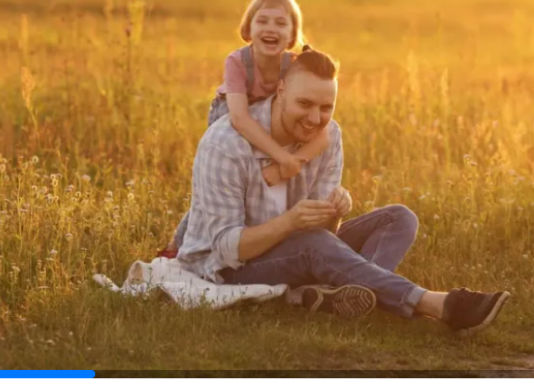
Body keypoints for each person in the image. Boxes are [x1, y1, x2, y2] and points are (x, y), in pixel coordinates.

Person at [174, 47, 511, 337]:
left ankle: (346, 295)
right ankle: (434, 303)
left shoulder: (329, 135)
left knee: (398, 218)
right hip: (230, 267)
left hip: (300, 249)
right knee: (310, 246)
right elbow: (225, 249)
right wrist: (292, 222)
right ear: (280, 91)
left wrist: (334, 214)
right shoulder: (225, 146)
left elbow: (322, 236)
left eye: (326, 107)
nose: (315, 118)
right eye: (304, 104)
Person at [157, 0, 330, 259]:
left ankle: (263, 241)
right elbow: (240, 119)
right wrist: (281, 156)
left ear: (293, 34)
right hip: (235, 122)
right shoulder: (238, 62)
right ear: (249, 28)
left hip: (272, 127)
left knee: (257, 192)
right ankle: (178, 247)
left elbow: (326, 134)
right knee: (211, 195)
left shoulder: (293, 65)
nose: (271, 29)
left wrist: (289, 164)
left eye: (281, 23)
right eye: (262, 21)